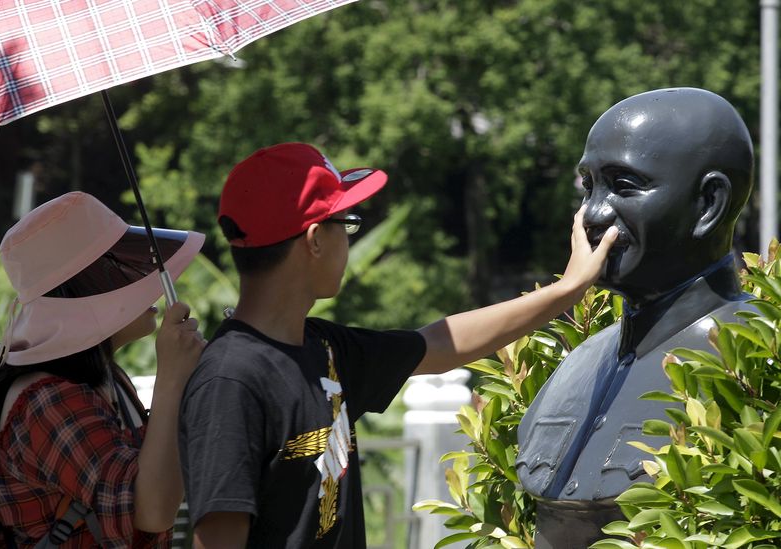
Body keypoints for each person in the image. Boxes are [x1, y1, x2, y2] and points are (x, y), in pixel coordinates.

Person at [178, 142, 619, 548]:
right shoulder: (230, 381)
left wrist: (567, 290)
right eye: (346, 223)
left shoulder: (322, 347)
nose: (349, 241)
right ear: (314, 240)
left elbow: (440, 343)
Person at [516, 87, 755, 548]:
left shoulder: (759, 365)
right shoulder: (580, 362)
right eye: (589, 187)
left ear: (708, 204)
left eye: (623, 186)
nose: (593, 213)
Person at [0, 191, 206, 548]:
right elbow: (151, 512)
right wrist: (173, 379)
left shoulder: (106, 378)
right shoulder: (50, 402)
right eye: (119, 269)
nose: (143, 277)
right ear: (86, 293)